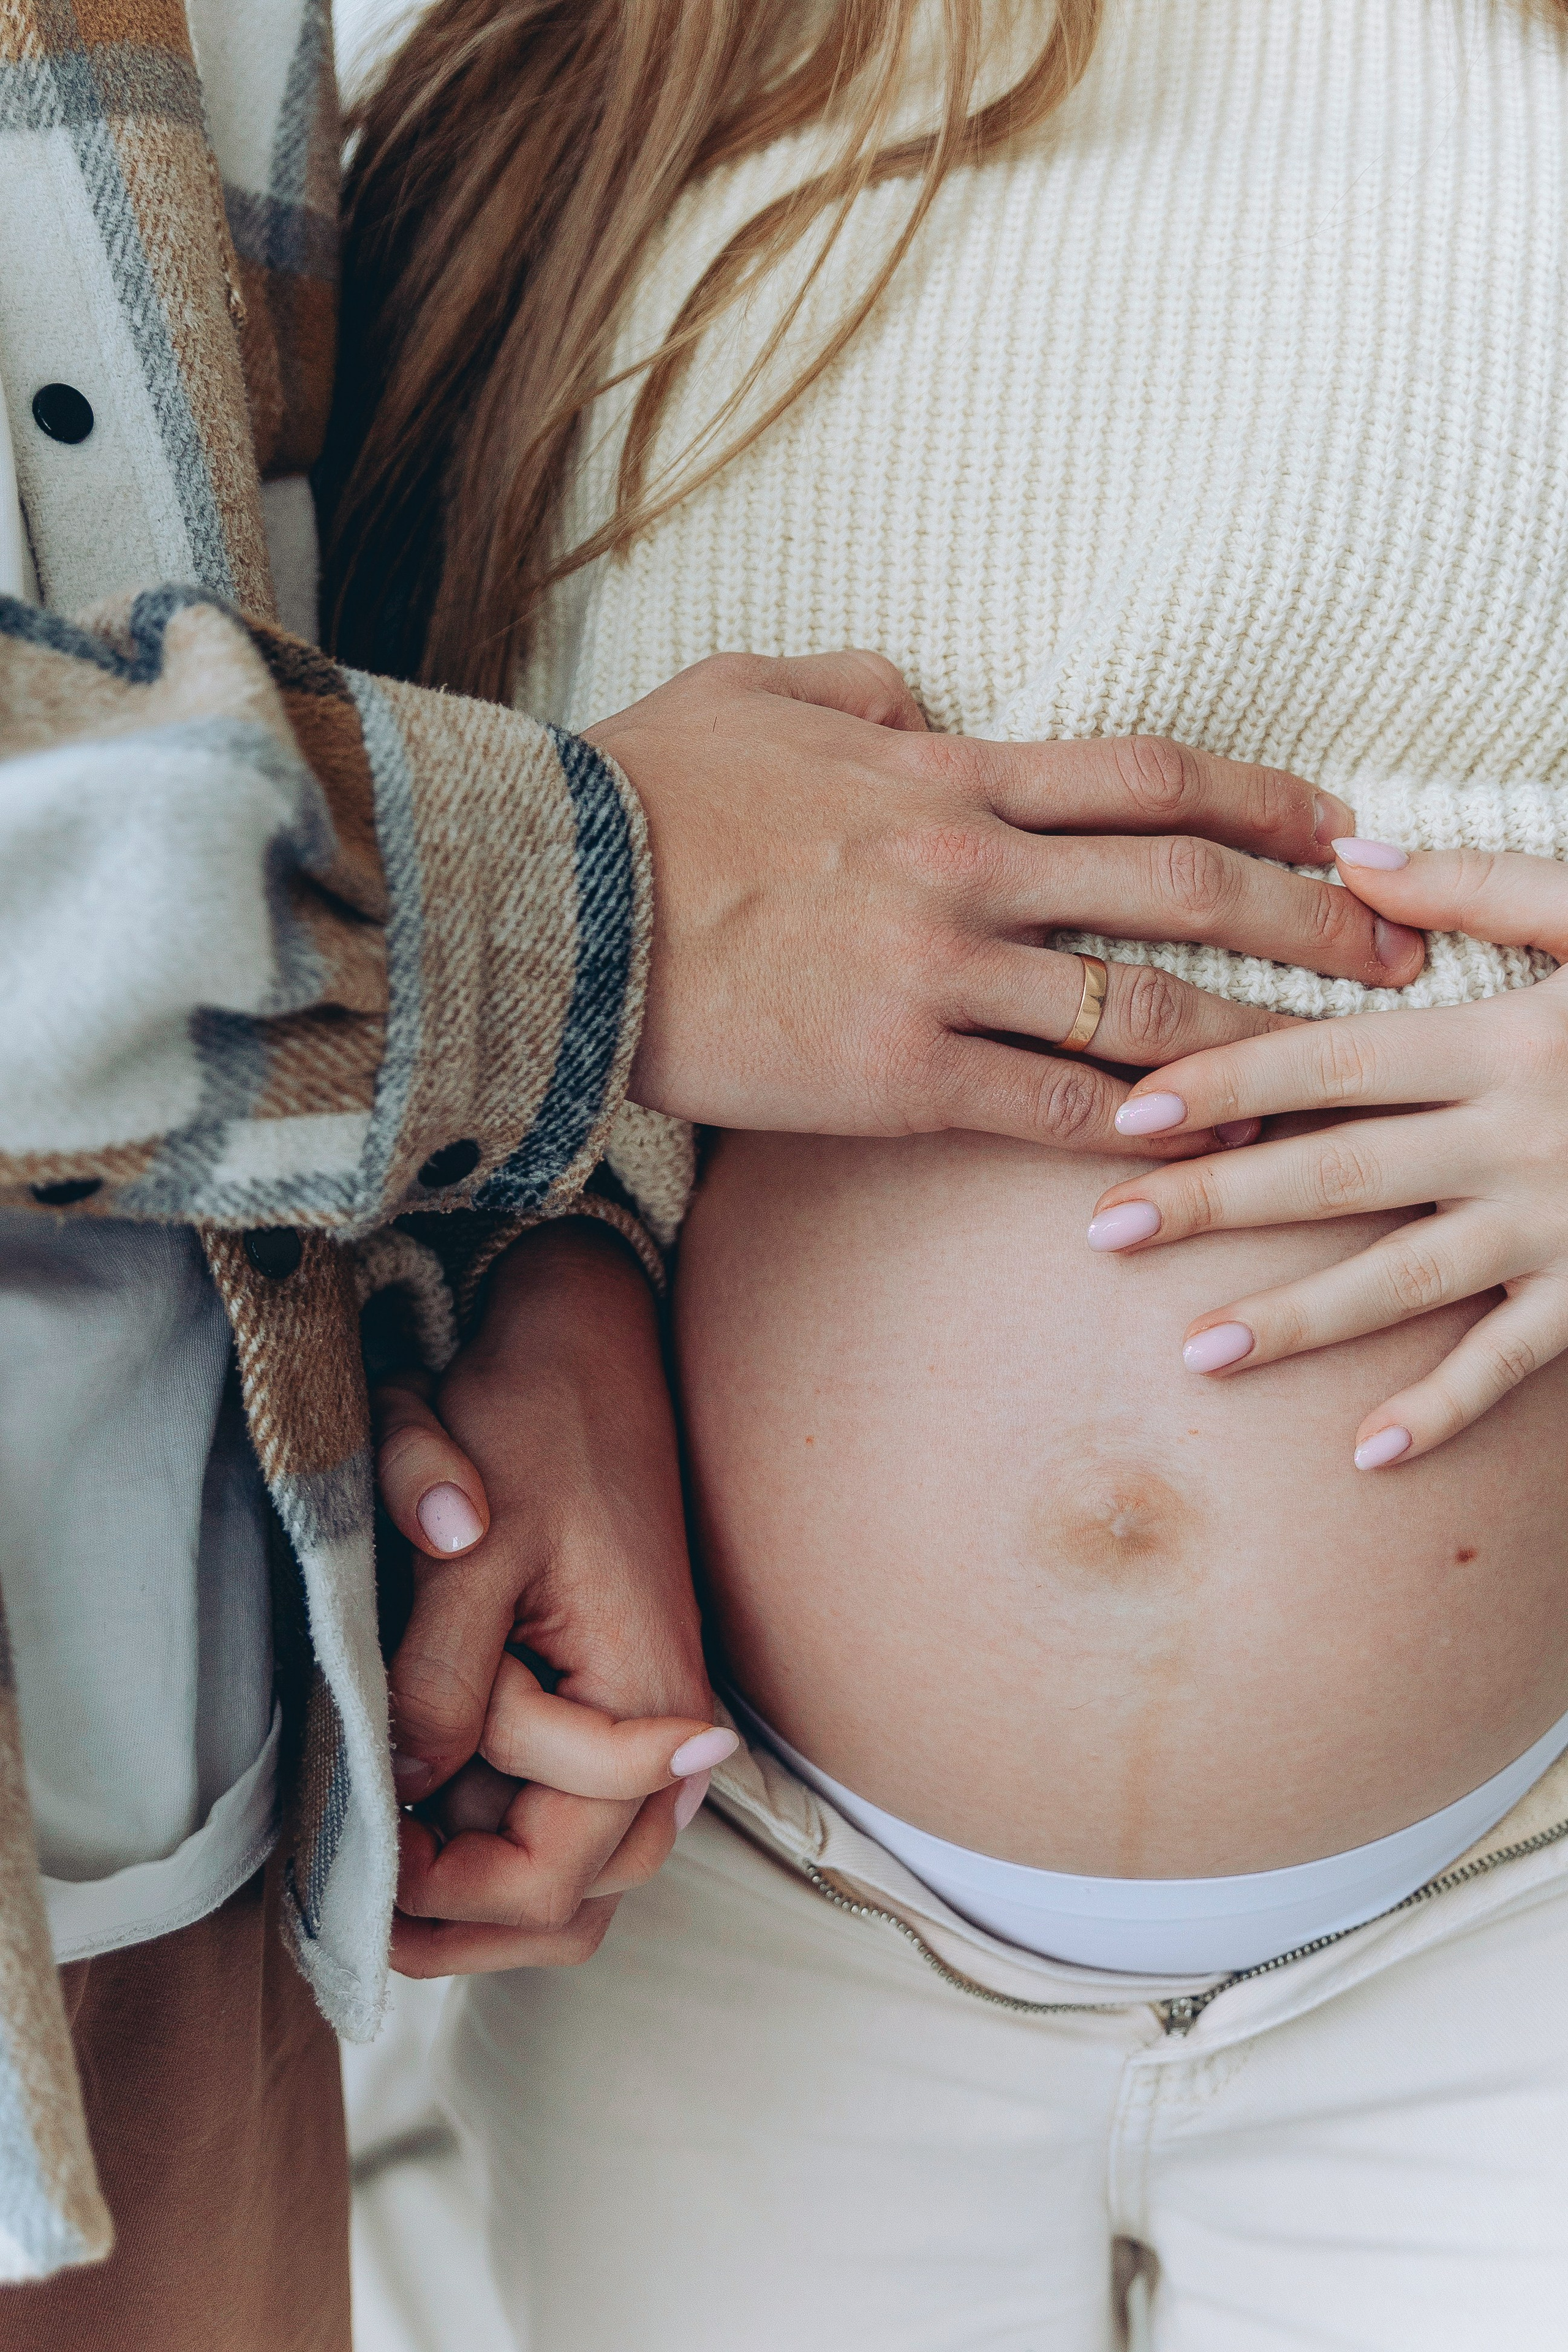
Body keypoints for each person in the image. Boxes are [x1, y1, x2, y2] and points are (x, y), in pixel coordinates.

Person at [0, 1, 1333, 2342]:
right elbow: (585, 824)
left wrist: (514, 1264)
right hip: (722, 1934)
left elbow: (320, 653)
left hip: (188, 1853)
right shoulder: (563, 97)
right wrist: (580, 922)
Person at [326, 0, 1568, 2343]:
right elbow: (407, 867)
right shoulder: (553, 104)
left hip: (1529, 1912)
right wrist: (537, 1268)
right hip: (732, 1899)